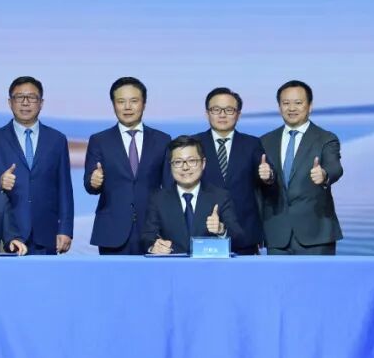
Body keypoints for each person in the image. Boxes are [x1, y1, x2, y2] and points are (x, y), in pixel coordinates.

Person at [0, 76, 74, 255]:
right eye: (19, 97)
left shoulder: (57, 140)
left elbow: (65, 188)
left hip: (47, 233)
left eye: (31, 97)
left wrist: (66, 229)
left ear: (41, 103)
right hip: (8, 232)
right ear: (10, 102)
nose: (25, 102)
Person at [83, 77, 172, 255]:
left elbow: (169, 189)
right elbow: (89, 185)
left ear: (144, 104)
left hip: (153, 229)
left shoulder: (162, 140)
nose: (127, 107)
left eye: (134, 101)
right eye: (121, 101)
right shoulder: (99, 140)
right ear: (113, 105)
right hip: (112, 230)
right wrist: (94, 182)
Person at [258, 80, 344, 255]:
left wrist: (324, 175)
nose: (291, 108)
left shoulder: (326, 138)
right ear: (279, 107)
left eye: (298, 103)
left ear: (310, 106)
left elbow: (335, 167)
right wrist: (266, 178)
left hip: (316, 234)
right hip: (276, 234)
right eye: (286, 103)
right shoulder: (265, 141)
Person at [142, 135, 250, 254]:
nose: (185, 167)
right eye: (178, 162)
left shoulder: (220, 197)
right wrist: (154, 247)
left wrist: (221, 230)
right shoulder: (158, 199)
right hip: (173, 264)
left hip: (209, 264)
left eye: (192, 161)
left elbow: (239, 238)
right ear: (170, 166)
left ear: (203, 163)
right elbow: (147, 237)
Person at [196, 87, 265, 255]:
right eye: (216, 109)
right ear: (207, 113)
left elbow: (266, 183)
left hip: (245, 233)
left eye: (229, 110)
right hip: (201, 233)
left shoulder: (252, 144)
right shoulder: (193, 144)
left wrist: (268, 177)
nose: (222, 115)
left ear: (238, 114)